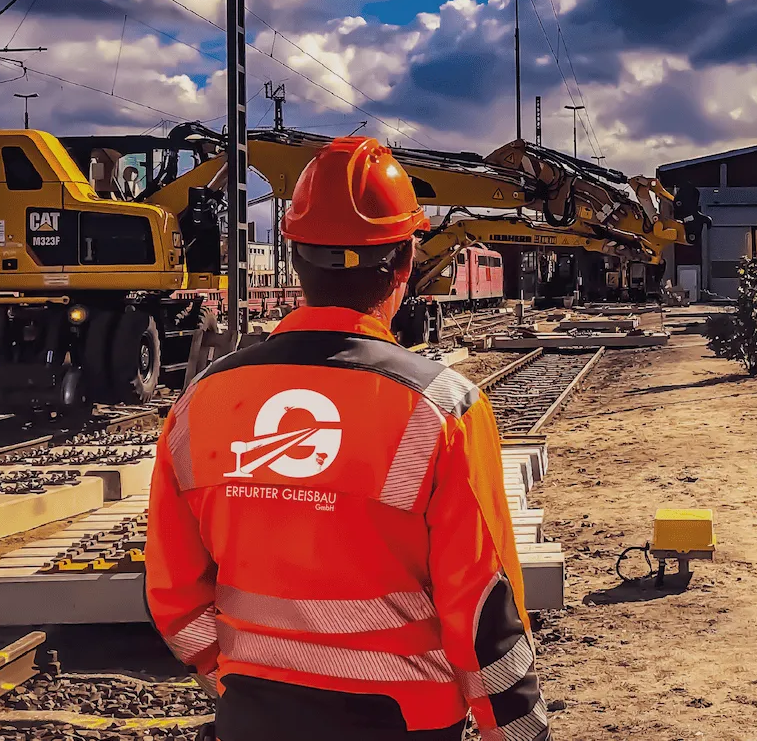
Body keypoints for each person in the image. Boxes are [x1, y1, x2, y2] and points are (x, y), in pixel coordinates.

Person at [146, 136, 549, 741]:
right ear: (407, 262)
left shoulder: (202, 401)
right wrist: (518, 733)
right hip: (403, 720)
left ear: (295, 255)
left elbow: (173, 591)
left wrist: (231, 678)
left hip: (252, 717)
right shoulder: (442, 409)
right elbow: (482, 610)